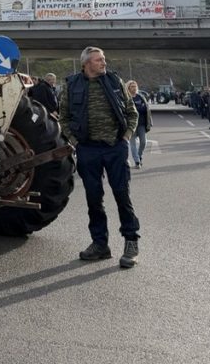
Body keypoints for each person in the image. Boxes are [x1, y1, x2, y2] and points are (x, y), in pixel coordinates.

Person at [59, 46, 141, 269]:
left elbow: (132, 112)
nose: (104, 63)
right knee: (94, 200)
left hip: (115, 147)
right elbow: (63, 118)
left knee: (122, 195)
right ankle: (100, 244)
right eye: (98, 60)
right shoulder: (71, 85)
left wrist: (126, 137)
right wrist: (74, 142)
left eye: (103, 59)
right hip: (87, 149)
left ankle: (131, 242)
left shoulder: (115, 81)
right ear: (86, 64)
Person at [126, 80, 151, 169]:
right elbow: (130, 110)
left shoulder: (140, 97)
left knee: (143, 142)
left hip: (141, 124)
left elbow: (145, 108)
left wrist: (138, 108)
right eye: (132, 86)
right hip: (131, 124)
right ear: (128, 88)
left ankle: (139, 156)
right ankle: (137, 161)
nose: (134, 88)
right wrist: (139, 108)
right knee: (132, 144)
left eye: (135, 86)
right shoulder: (127, 97)